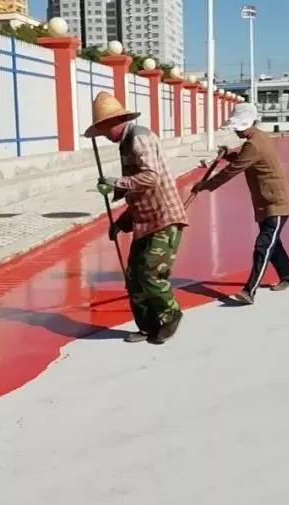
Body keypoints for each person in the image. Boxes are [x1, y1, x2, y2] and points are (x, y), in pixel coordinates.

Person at [85, 92, 188, 344]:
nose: (103, 135)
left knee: (151, 273)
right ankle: (148, 325)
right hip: (144, 219)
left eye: (104, 129)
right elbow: (138, 192)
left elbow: (151, 177)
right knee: (133, 276)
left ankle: (170, 315)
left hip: (163, 217)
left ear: (114, 121)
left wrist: (117, 183)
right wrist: (122, 222)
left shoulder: (139, 137)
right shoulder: (125, 143)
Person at [193, 102, 289, 305]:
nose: (236, 132)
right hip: (266, 203)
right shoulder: (257, 139)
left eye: (238, 128)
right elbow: (244, 159)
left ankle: (249, 291)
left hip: (276, 203)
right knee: (273, 244)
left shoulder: (254, 144)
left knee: (263, 245)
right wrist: (228, 155)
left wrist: (206, 185)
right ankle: (288, 276)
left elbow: (232, 171)